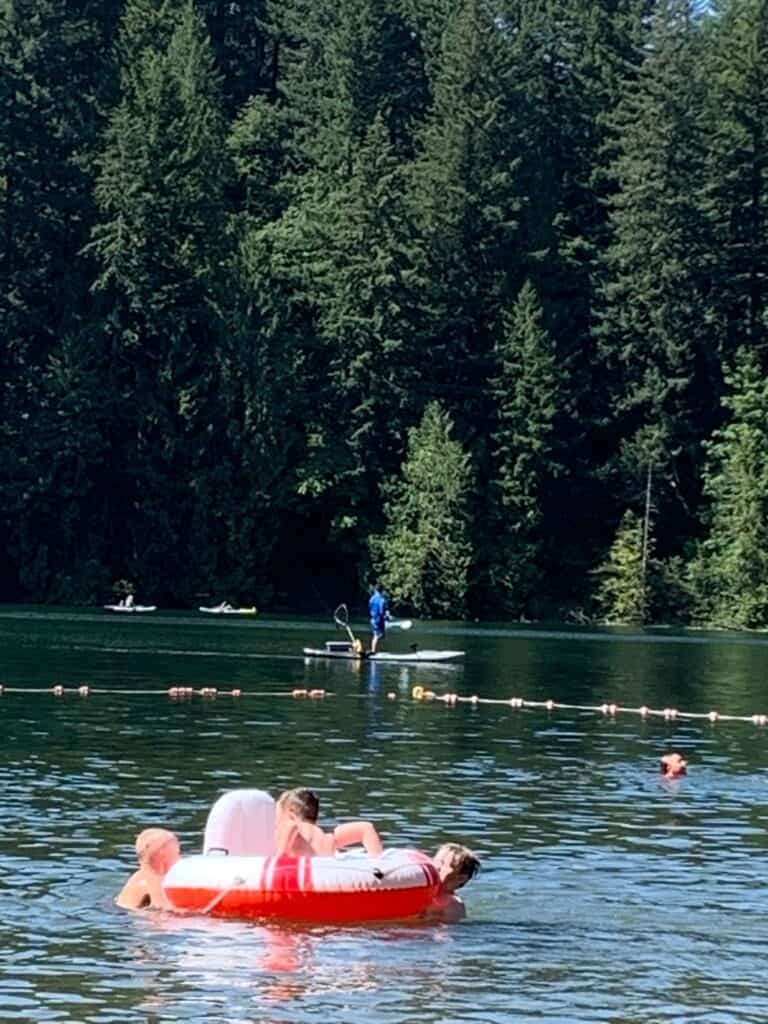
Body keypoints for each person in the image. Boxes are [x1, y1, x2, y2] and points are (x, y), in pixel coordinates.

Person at [274, 787, 384, 857]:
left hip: (303, 883)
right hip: (326, 881)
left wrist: (278, 857)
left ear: (291, 813)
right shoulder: (327, 837)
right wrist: (378, 863)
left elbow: (292, 827)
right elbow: (366, 828)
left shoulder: (293, 826)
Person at [115, 827, 181, 910]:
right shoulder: (154, 880)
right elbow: (166, 908)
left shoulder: (138, 877)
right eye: (176, 852)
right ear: (162, 856)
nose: (179, 858)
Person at [425, 842, 481, 922]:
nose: (436, 866)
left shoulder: (453, 905)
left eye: (443, 863)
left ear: (461, 878)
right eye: (436, 861)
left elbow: (446, 932)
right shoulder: (423, 889)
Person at [368, 583, 388, 654]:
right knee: (377, 635)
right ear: (382, 591)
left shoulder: (371, 598)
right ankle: (373, 651)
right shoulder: (381, 599)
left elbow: (369, 607)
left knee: (379, 635)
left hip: (373, 619)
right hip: (379, 619)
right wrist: (385, 616)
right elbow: (381, 610)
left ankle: (375, 650)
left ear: (376, 590)